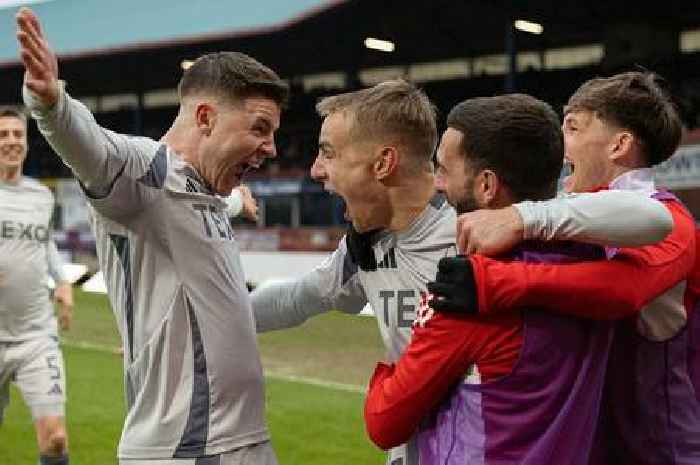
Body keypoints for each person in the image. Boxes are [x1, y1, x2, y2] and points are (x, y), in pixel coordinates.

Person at [250, 80, 673, 465]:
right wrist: (209, 317)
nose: (316, 170)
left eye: (328, 152)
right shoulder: (366, 247)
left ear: (383, 163)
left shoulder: (481, 232)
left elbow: (654, 218)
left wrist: (519, 218)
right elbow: (298, 297)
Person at [16, 7, 288, 465]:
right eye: (259, 129)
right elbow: (95, 150)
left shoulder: (202, 191)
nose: (271, 148)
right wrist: (53, 107)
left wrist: (239, 201)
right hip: (190, 448)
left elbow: (200, 209)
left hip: (239, 440)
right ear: (205, 117)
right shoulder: (148, 171)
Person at [430, 72, 700, 464]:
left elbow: (621, 292)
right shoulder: (562, 213)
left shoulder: (672, 223)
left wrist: (494, 276)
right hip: (587, 447)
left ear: (619, 145)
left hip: (659, 451)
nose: (559, 142)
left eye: (572, 127)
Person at [363, 93, 632, 464]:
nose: (438, 184)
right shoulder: (601, 259)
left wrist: (387, 371)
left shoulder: (469, 295)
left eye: (444, 170)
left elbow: (384, 424)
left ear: (487, 185)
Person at [0, 106, 74, 465]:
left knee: (56, 439)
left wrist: (61, 282)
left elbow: (45, 243)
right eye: (3, 135)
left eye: (17, 135)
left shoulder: (40, 197)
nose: (11, 141)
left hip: (35, 335)